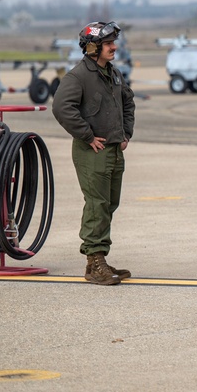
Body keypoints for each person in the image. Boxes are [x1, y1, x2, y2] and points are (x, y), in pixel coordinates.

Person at [52, 21, 135, 286]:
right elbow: (62, 107)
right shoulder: (78, 77)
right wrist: (87, 136)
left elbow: (128, 101)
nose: (114, 47)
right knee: (97, 204)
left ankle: (95, 261)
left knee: (109, 204)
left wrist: (126, 133)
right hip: (92, 152)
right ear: (92, 47)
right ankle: (95, 259)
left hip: (113, 150)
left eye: (113, 42)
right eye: (108, 43)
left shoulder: (114, 74)